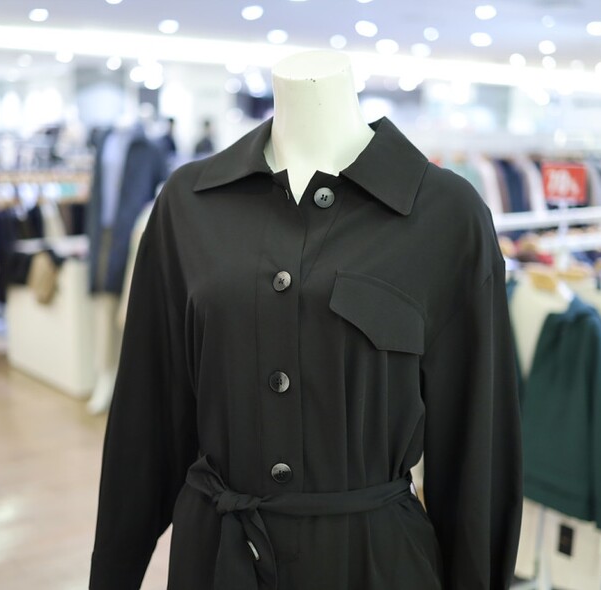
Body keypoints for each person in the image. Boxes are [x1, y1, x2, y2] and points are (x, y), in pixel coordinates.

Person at [90, 49, 522, 590]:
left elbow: (478, 447)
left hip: (371, 565)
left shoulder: (446, 215)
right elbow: (145, 421)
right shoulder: (188, 204)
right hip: (218, 560)